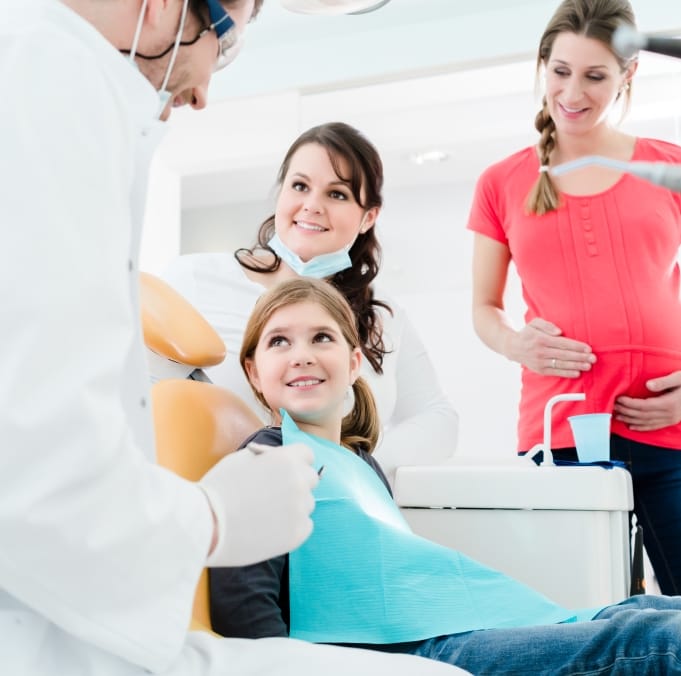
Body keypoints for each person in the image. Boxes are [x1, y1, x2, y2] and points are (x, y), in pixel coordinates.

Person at [0, 2, 465, 675]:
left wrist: (350, 461)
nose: (203, 93)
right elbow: (53, 455)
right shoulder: (52, 78)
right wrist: (213, 516)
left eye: (338, 194)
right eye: (226, 40)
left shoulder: (383, 319)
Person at [210, 275, 681, 675]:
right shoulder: (267, 458)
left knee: (646, 608)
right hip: (411, 652)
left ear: (355, 363)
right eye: (279, 341)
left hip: (453, 628)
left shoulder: (361, 464)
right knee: (650, 637)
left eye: (322, 337)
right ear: (253, 372)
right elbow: (242, 610)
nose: (301, 355)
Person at [468, 0, 681, 595]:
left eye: (595, 76)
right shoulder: (502, 182)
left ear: (628, 75)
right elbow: (484, 308)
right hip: (561, 431)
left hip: (671, 430)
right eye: (560, 71)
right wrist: (517, 344)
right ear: (542, 65)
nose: (573, 92)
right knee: (581, 610)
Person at [160, 121, 458, 483]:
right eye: (300, 186)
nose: (312, 205)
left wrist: (355, 467)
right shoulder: (196, 278)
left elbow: (437, 417)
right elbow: (139, 397)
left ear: (368, 216)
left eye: (337, 194)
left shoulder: (383, 315)